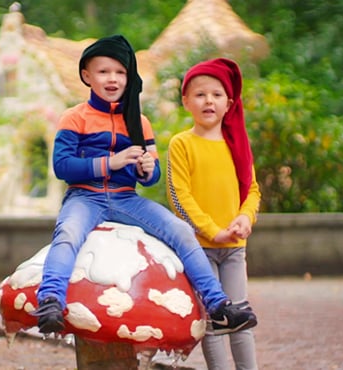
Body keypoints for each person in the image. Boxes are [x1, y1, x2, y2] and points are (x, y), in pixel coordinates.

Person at [30, 35, 257, 337]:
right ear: (87, 76)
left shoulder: (139, 122)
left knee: (179, 230)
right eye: (103, 72)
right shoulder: (74, 118)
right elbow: (62, 167)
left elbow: (152, 177)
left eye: (120, 72)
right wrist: (110, 162)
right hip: (86, 197)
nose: (113, 79)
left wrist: (147, 168)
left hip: (126, 199)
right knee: (68, 233)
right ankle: (50, 301)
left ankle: (218, 306)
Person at [166, 58, 261, 369]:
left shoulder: (237, 146)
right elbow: (180, 198)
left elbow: (252, 191)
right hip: (198, 249)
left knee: (241, 319)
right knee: (212, 321)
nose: (209, 101)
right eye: (200, 94)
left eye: (217, 94)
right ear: (186, 102)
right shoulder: (182, 144)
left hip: (234, 250)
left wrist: (245, 218)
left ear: (229, 102)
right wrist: (210, 230)